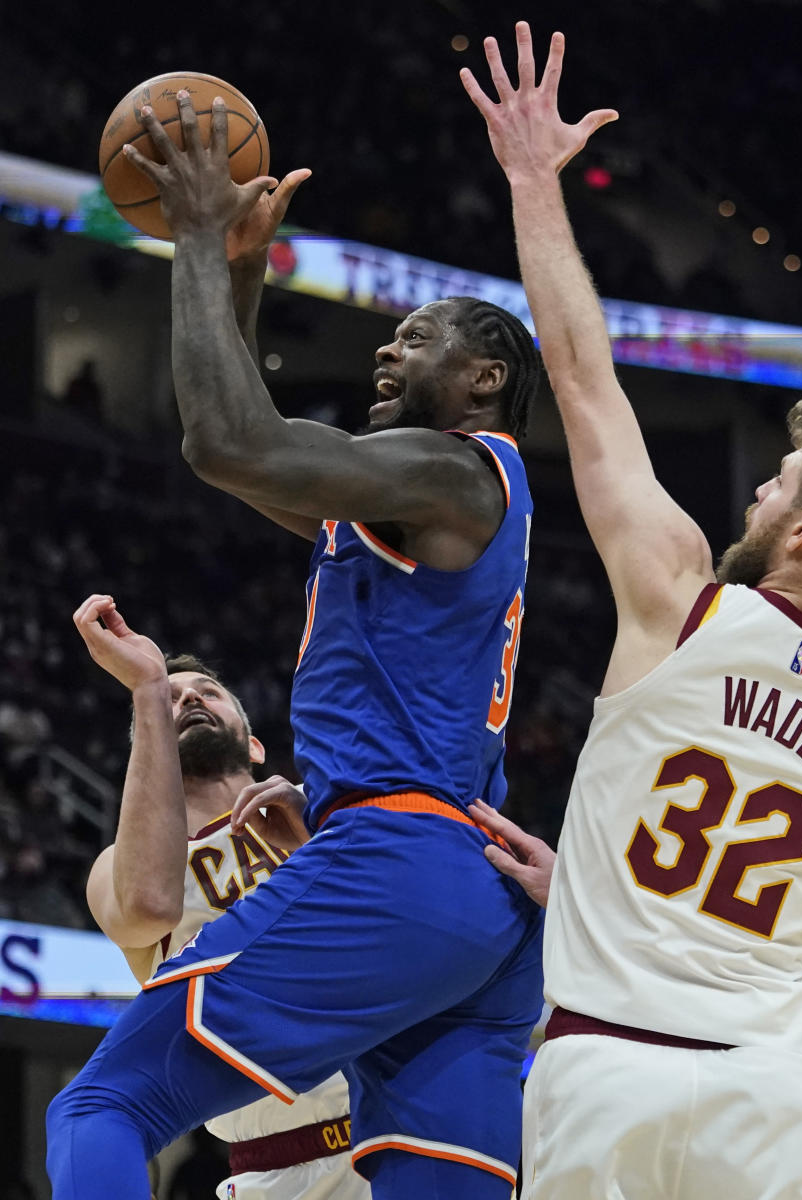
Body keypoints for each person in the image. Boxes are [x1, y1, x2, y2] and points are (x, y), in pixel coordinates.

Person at [461, 23, 802, 1200]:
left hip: (603, 1078)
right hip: (765, 1101)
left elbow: (578, 372)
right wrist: (590, 882)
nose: (761, 491)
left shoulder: (678, 595)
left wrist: (531, 179)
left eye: (778, 486)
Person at [46, 92, 544, 1200]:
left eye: (417, 337)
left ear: (484, 380)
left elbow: (228, 440)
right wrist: (240, 272)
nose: (386, 347)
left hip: (399, 855)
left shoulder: (457, 470)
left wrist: (186, 235)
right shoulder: (410, 506)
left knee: (101, 1104)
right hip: (479, 901)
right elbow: (248, 451)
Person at [73, 591, 369, 1200]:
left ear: (254, 745)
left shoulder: (331, 817)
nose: (187, 701)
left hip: (404, 1133)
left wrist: (317, 839)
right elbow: (149, 908)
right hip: (280, 1169)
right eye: (170, 700)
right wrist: (147, 691)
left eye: (205, 694)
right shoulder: (120, 870)